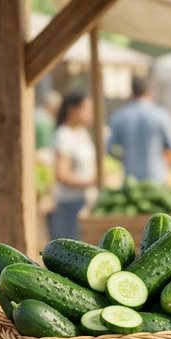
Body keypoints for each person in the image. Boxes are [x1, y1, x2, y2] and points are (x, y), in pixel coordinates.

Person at [108, 76, 171, 184]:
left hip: (130, 180)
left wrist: (126, 158)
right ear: (150, 91)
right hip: (157, 178)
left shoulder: (119, 116)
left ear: (132, 90)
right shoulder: (162, 115)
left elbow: (111, 149)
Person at [49, 91, 96, 240]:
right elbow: (61, 174)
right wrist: (91, 183)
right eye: (86, 108)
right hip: (69, 204)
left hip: (84, 201)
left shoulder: (82, 133)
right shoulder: (63, 135)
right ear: (72, 110)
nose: (90, 113)